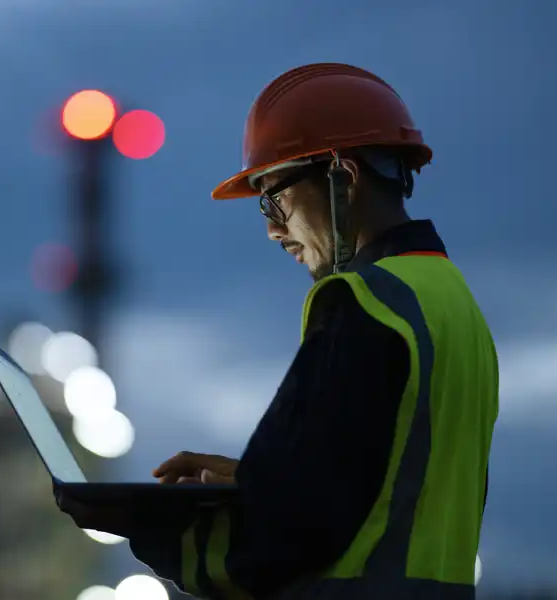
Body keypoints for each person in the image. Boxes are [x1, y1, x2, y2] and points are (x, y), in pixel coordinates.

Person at [57, 63, 499, 600]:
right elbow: (385, 491)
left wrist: (149, 525)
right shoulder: (452, 305)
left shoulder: (365, 304)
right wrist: (259, 480)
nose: (272, 228)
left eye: (275, 197)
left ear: (344, 178)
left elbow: (276, 542)